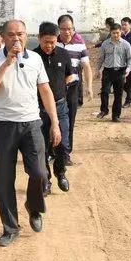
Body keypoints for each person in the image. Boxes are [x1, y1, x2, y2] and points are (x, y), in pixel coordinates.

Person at [0, 20, 61, 247]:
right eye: (11, 34)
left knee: (39, 172)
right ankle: (10, 228)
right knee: (4, 179)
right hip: (2, 125)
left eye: (21, 34)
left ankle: (34, 207)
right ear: (4, 37)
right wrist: (7, 62)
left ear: (27, 36)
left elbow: (45, 90)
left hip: (31, 124)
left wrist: (55, 123)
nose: (16, 38)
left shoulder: (35, 59)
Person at [33, 22, 73, 195]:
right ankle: (46, 180)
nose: (49, 46)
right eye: (46, 42)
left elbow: (68, 76)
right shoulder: (32, 57)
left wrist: (59, 91)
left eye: (53, 42)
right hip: (38, 109)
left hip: (60, 106)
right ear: (39, 39)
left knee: (62, 143)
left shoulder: (63, 54)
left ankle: (60, 172)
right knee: (41, 146)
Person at [56, 14, 93, 166]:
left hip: (72, 89)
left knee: (69, 121)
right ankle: (52, 152)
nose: (67, 32)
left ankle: (66, 154)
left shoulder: (79, 44)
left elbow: (86, 66)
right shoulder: (53, 43)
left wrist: (89, 86)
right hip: (55, 89)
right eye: (64, 29)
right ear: (59, 29)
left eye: (70, 29)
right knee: (53, 121)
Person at [96, 23, 131, 122]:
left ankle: (116, 115)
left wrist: (128, 69)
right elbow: (101, 58)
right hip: (108, 71)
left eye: (117, 33)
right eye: (113, 33)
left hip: (120, 72)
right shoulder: (105, 44)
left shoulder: (126, 44)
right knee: (104, 91)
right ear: (110, 33)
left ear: (121, 32)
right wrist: (97, 70)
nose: (116, 35)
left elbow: (130, 59)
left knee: (118, 94)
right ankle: (104, 110)